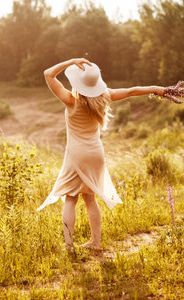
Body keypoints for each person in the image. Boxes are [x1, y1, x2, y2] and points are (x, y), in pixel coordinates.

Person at [37, 58, 166, 252]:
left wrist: (72, 61)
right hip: (96, 153)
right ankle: (95, 243)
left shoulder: (71, 101)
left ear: (77, 83)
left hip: (76, 154)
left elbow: (48, 73)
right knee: (90, 198)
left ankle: (69, 246)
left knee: (70, 198)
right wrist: (156, 88)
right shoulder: (105, 97)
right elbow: (132, 91)